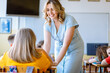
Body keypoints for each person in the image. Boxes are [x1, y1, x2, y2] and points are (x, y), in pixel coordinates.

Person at [43, 0, 84, 73]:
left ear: (58, 9)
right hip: (59, 48)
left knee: (69, 71)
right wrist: (43, 60)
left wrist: (56, 63)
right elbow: (47, 44)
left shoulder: (69, 20)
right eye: (48, 10)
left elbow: (65, 45)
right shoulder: (47, 24)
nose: (50, 13)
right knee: (60, 71)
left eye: (52, 9)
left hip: (74, 49)